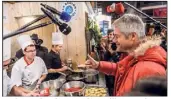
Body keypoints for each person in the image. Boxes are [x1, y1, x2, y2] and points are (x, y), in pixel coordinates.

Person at [85, 14, 166, 96]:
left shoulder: (149, 70)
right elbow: (120, 69)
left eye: (117, 36)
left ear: (133, 36)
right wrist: (98, 65)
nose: (114, 40)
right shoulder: (136, 56)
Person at [3, 29, 39, 96]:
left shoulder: (3, 73)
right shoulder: (18, 54)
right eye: (3, 65)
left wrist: (24, 94)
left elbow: (10, 87)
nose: (7, 67)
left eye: (8, 64)